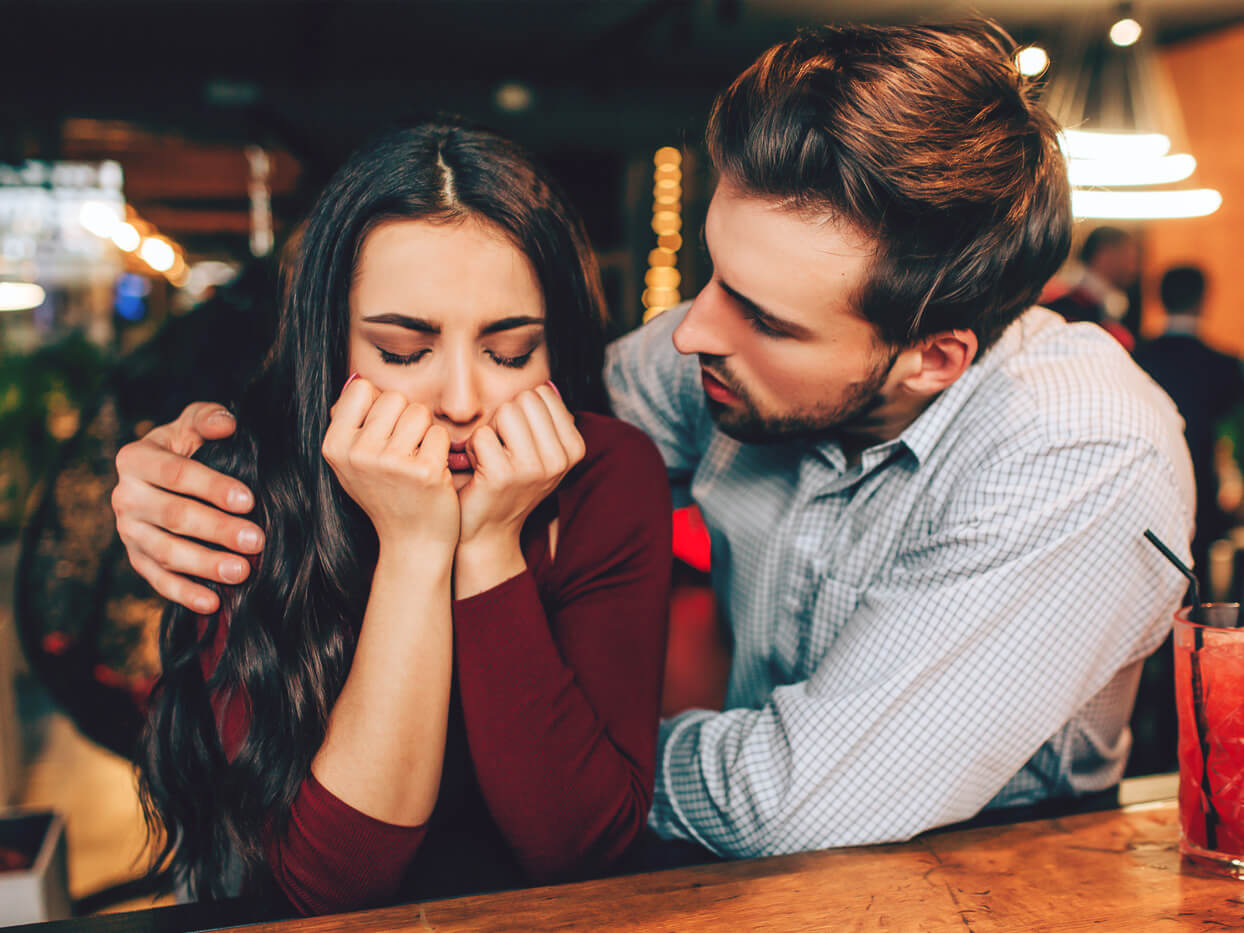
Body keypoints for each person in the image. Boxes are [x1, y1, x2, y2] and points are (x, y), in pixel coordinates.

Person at [115, 22, 1193, 862]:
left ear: (930, 360)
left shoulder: (1080, 455)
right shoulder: (714, 362)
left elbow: (796, 801)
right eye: (714, 273)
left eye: (765, 318)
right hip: (724, 882)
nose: (692, 332)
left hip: (991, 879)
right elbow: (502, 406)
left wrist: (526, 750)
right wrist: (178, 473)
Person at [131, 122, 672, 914]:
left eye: (512, 352)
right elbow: (330, 888)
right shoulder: (247, 486)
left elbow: (583, 847)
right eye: (403, 350)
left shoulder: (609, 471)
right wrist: (416, 547)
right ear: (332, 343)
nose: (461, 400)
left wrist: (487, 543)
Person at [1134, 266, 1244, 587]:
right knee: (1198, 584)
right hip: (1202, 490)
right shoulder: (1223, 364)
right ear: (1202, 300)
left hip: (1148, 486)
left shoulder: (1137, 357)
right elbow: (1233, 435)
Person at [1043, 226, 1140, 349]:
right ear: (1104, 254)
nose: (1133, 267)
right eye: (1128, 257)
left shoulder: (1111, 301)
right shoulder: (1070, 305)